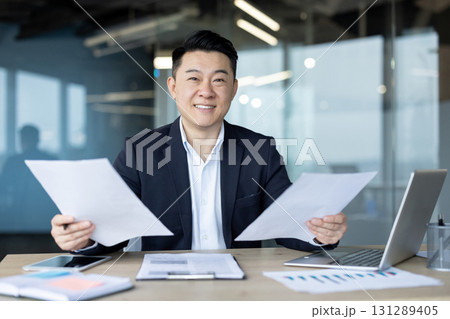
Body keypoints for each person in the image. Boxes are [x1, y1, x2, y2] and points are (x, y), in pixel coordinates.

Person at [50, 30, 347, 254]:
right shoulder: (141, 150)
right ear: (173, 87)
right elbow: (111, 231)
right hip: (165, 290)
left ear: (233, 89)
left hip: (242, 289)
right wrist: (82, 238)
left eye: (219, 80)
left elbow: (290, 225)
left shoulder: (260, 150)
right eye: (194, 79)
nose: (206, 91)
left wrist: (322, 233)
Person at [0, 125, 58, 231]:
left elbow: (3, 189)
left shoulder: (13, 162)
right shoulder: (49, 160)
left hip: (31, 220)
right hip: (39, 220)